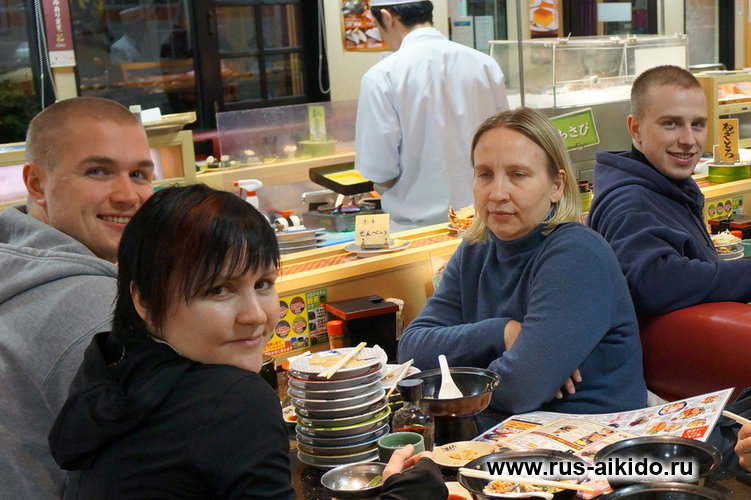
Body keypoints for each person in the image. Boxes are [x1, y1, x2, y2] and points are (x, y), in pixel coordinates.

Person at [49, 184, 447, 499]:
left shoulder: (109, 371)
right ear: (145, 301)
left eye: (263, 284)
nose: (255, 315)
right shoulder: (231, 400)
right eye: (219, 289)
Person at [397, 108, 647, 415]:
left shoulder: (578, 253)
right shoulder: (477, 247)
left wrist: (459, 370)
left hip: (590, 433)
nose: (497, 193)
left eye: (518, 175)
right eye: (485, 174)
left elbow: (519, 389)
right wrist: (501, 333)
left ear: (556, 186)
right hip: (506, 426)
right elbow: (411, 353)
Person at [0, 97, 154, 498]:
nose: (128, 195)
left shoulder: (14, 261)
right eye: (98, 171)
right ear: (37, 184)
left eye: (139, 174)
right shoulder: (93, 307)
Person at [587, 65, 751, 317]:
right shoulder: (631, 204)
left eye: (697, 124)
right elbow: (652, 282)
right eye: (671, 124)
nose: (689, 140)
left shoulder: (669, 184)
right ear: (635, 129)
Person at [355, 0, 509, 231]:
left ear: (387, 17)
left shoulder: (381, 76)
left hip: (417, 230)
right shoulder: (485, 65)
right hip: (485, 222)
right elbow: (506, 141)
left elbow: (380, 170)